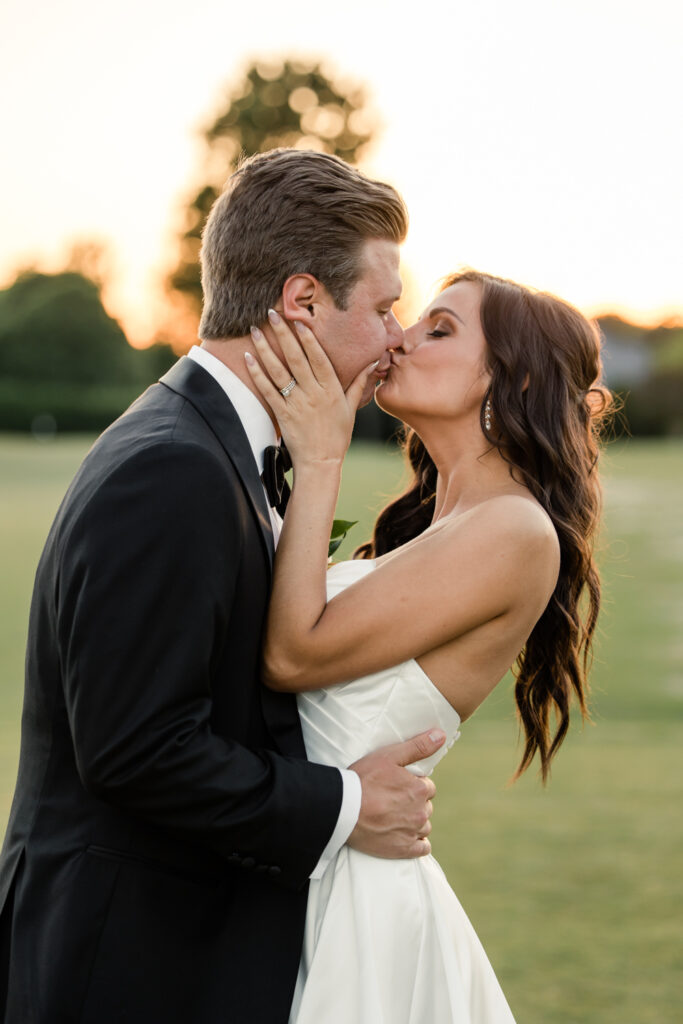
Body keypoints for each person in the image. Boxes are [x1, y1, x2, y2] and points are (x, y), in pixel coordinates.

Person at [0, 150, 446, 1024]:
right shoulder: (172, 468)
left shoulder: (208, 445)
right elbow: (136, 748)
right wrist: (348, 804)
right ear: (303, 301)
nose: (397, 336)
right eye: (385, 307)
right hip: (120, 967)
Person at [244, 269, 613, 1023]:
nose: (399, 337)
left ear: (517, 378)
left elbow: (291, 658)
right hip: (305, 865)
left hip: (355, 903)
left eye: (439, 329)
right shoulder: (435, 533)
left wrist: (319, 460)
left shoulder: (512, 531)